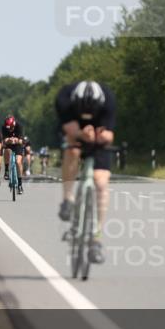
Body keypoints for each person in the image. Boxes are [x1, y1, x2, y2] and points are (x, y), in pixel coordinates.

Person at [55, 80, 116, 264]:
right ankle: (68, 199)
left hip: (98, 132)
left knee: (101, 182)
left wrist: (100, 136)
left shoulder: (108, 101)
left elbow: (109, 136)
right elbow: (70, 129)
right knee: (72, 150)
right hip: (74, 129)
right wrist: (82, 134)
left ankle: (96, 238)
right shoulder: (64, 98)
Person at [1, 115, 25, 194]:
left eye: (11, 128)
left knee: (18, 162)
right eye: (8, 128)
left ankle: (20, 185)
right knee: (6, 150)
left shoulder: (19, 126)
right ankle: (7, 170)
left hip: (17, 144)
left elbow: (21, 140)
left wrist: (16, 140)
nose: (10, 129)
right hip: (9, 144)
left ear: (14, 124)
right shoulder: (4, 127)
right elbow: (4, 140)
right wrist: (9, 140)